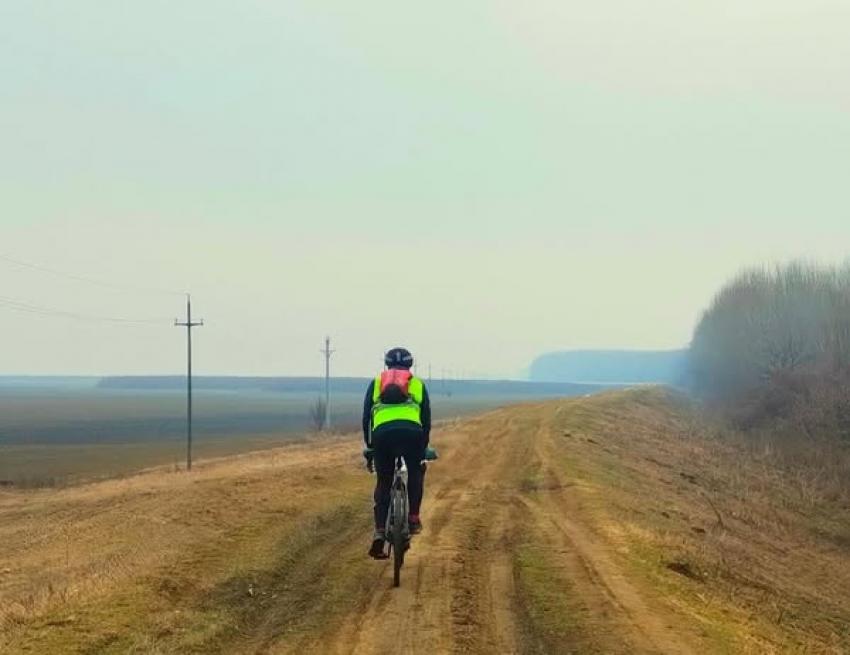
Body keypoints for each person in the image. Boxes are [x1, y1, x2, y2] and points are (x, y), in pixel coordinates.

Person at [363, 347, 431, 559]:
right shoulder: (417, 384)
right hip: (412, 434)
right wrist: (422, 449)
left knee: (384, 481)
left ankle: (380, 532)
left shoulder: (376, 383)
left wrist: (371, 447)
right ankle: (412, 518)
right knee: (416, 471)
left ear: (387, 365)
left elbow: (366, 419)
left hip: (382, 435)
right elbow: (426, 420)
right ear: (410, 366)